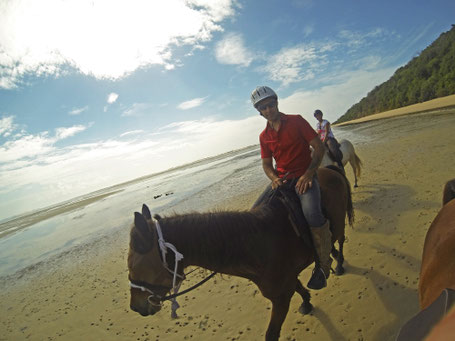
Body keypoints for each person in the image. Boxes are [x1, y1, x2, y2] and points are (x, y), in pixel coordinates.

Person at [251, 85, 332, 290]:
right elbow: (267, 165)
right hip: (283, 180)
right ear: (259, 112)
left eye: (270, 105)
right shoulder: (263, 136)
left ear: (277, 102)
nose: (268, 110)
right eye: (263, 108)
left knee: (312, 213)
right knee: (254, 214)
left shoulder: (296, 121)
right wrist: (273, 178)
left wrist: (309, 173)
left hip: (305, 176)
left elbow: (319, 147)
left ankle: (323, 264)